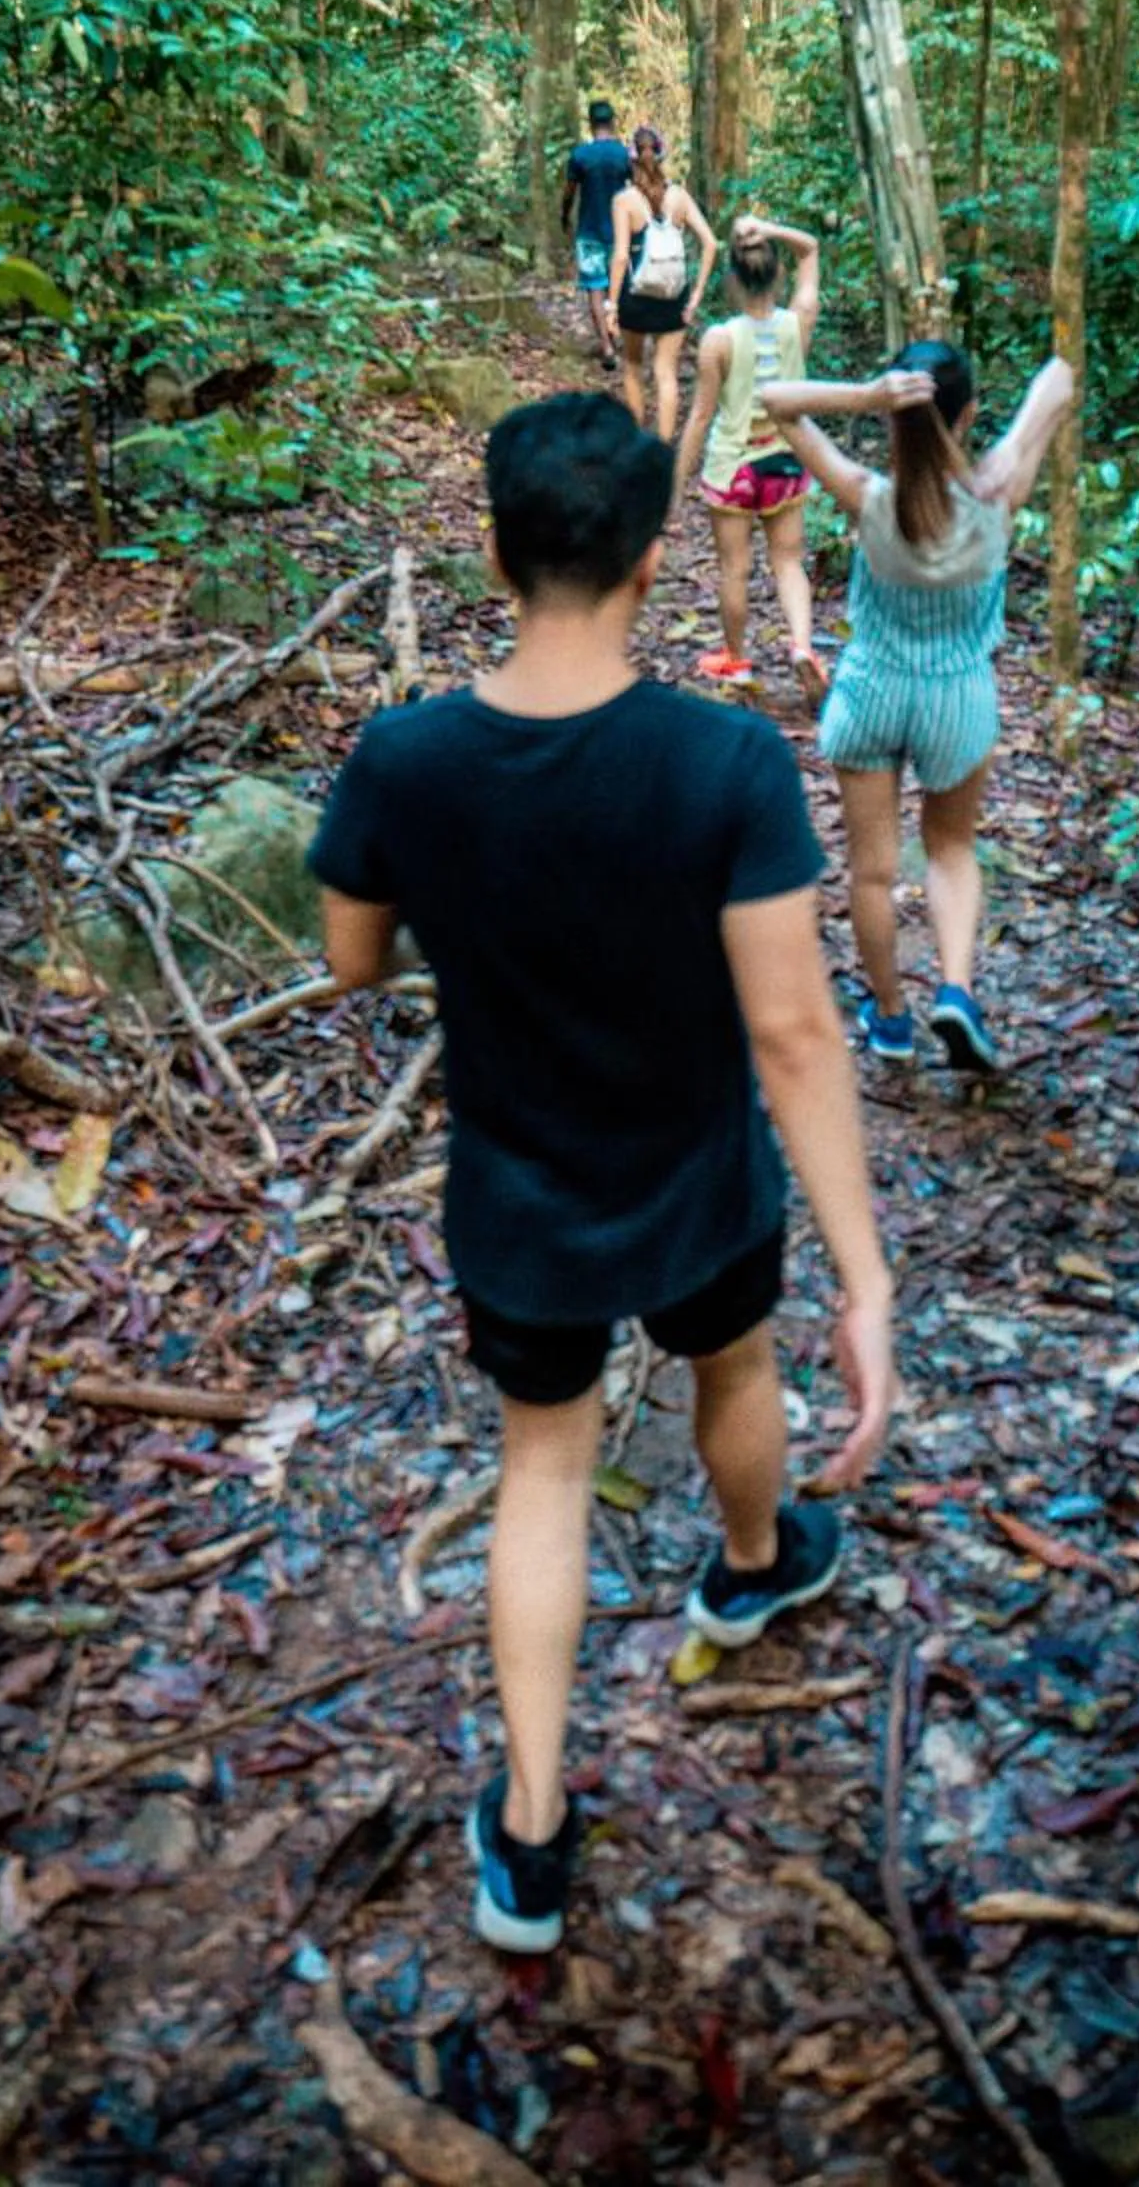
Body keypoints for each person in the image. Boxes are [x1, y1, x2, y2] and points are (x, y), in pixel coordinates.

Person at [311, 392, 894, 1953]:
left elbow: (352, 962)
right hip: (696, 1177)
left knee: (543, 1468)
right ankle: (755, 1565)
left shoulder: (405, 757)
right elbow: (789, 1028)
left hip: (519, 1196)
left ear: (496, 555)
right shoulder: (722, 763)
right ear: (649, 558)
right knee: (734, 1359)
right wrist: (866, 1274)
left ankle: (527, 1831)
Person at [762, 343, 1074, 1072]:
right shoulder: (1001, 493)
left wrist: (868, 396)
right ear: (966, 416)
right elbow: (1058, 379)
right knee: (951, 851)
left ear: (895, 418)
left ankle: (892, 1020)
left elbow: (779, 401)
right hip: (957, 701)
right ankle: (956, 991)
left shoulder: (864, 493)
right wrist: (1019, 438)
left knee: (870, 870)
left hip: (871, 694)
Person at [675, 215, 827, 705]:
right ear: (777, 276)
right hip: (786, 461)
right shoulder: (797, 322)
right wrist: (767, 228)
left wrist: (676, 482)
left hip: (734, 468)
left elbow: (700, 417)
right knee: (788, 561)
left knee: (734, 569)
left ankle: (736, 663)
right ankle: (803, 646)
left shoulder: (718, 340)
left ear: (733, 281)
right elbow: (811, 250)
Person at [608, 123, 716, 445]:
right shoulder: (680, 196)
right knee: (666, 372)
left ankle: (639, 439)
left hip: (636, 297)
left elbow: (620, 256)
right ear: (661, 155)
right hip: (674, 296)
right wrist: (695, 296)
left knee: (632, 365)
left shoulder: (624, 200)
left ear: (632, 159)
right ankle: (665, 449)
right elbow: (711, 243)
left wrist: (611, 305)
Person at [561, 99, 631, 369]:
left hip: (589, 230)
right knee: (620, 286)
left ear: (590, 124)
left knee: (594, 287)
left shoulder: (580, 156)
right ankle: (618, 333)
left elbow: (569, 192)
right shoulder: (624, 155)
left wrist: (564, 216)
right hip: (620, 231)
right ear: (613, 122)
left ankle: (606, 345)